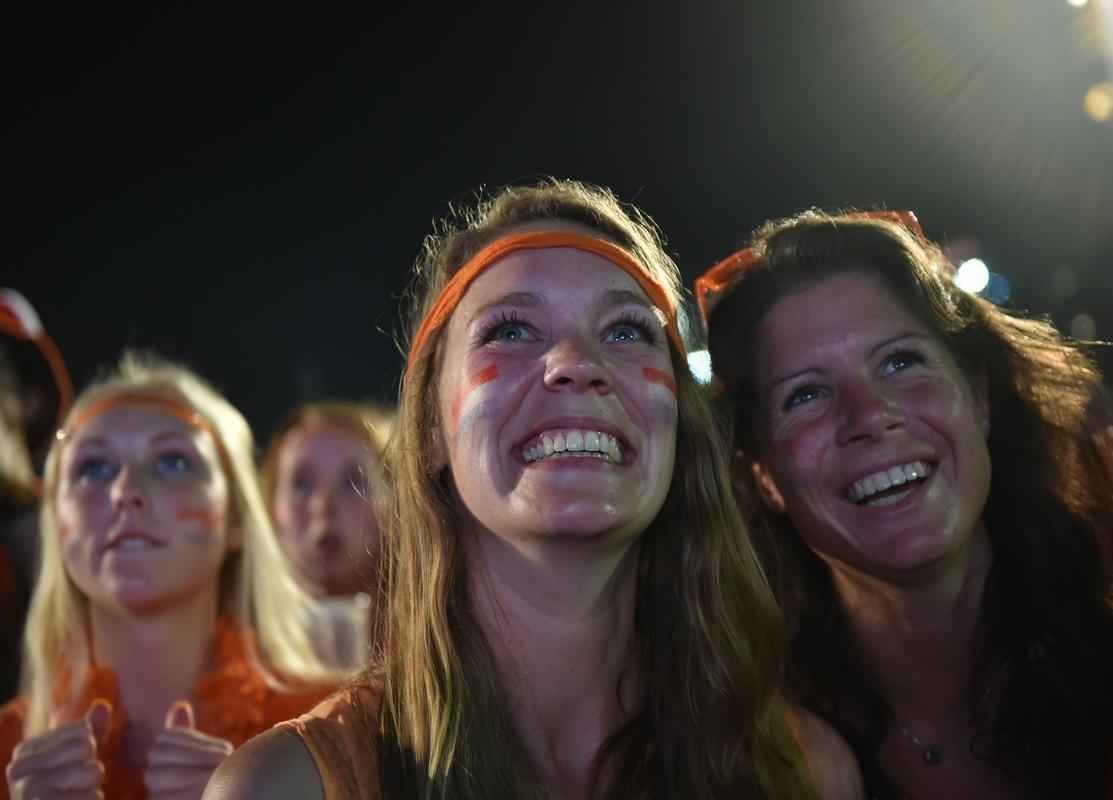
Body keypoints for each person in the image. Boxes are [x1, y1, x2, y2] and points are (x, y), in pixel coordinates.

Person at [205, 179, 861, 800]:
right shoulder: (287, 785)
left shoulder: (805, 774)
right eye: (510, 331)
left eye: (626, 331)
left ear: (680, 426)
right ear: (432, 428)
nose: (576, 363)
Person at [696, 209, 1113, 798]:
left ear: (977, 395)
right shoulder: (760, 757)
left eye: (900, 362)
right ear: (763, 476)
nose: (869, 416)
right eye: (807, 394)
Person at [1, 352, 343, 800]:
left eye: (173, 462)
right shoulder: (10, 747)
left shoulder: (334, 732)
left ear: (237, 516)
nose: (126, 491)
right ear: (57, 524)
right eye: (93, 468)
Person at [261, 401, 394, 670]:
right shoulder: (227, 653)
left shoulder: (438, 645)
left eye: (353, 482)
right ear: (271, 511)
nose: (323, 506)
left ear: (392, 506)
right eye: (301, 484)